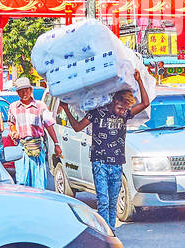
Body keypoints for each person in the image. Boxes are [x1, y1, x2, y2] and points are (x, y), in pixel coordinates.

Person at [58, 70, 150, 234]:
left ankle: (111, 232)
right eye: (121, 107)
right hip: (99, 162)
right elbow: (78, 127)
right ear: (114, 101)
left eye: (125, 109)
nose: (122, 111)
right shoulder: (97, 112)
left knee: (113, 201)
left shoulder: (125, 115)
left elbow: (145, 104)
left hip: (117, 163)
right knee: (103, 200)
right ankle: (104, 232)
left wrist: (139, 80)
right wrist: (65, 109)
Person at [10, 77, 62, 188]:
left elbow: (49, 125)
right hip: (22, 149)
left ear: (31, 90)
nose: (24, 93)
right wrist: (14, 131)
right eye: (21, 91)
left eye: (26, 90)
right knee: (22, 182)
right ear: (17, 92)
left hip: (37, 147)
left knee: (38, 182)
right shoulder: (13, 107)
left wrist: (56, 144)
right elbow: (11, 124)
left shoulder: (40, 106)